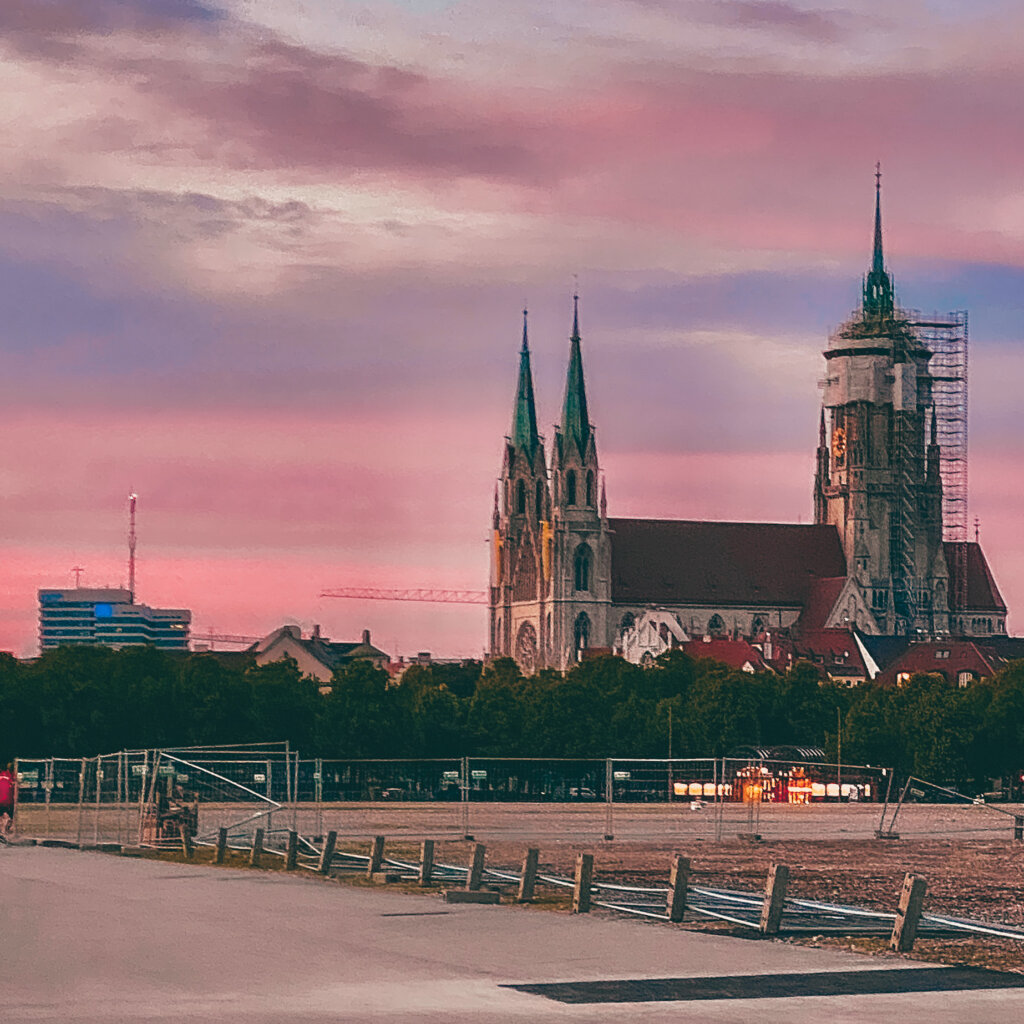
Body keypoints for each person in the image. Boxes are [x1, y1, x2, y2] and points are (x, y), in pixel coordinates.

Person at [0, 763, 17, 841]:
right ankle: (3, 832)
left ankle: (3, 831)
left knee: (5, 816)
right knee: (7, 817)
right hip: (7, 800)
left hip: (5, 799)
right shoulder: (10, 776)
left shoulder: (9, 775)